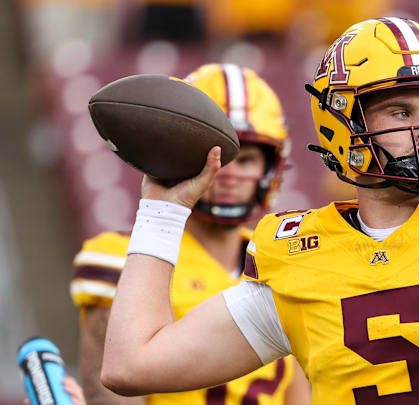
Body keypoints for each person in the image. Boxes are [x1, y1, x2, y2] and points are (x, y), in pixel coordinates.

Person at [100, 18, 419, 404]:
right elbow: (132, 366)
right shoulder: (299, 254)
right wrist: (162, 213)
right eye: (401, 110)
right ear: (341, 123)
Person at [70, 63, 311, 405]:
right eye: (216, 160)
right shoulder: (125, 256)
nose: (227, 175)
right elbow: (113, 395)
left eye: (246, 160)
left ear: (268, 169)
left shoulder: (285, 261)